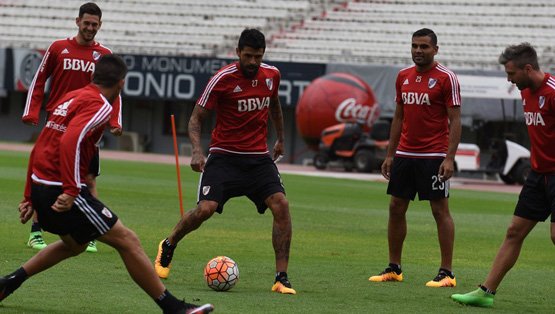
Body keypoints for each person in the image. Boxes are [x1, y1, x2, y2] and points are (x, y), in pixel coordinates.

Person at [0, 54, 214, 314]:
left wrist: (29, 195)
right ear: (121, 84)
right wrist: (70, 190)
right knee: (128, 240)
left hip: (41, 187)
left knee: (75, 245)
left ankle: (8, 283)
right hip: (62, 190)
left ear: (93, 76)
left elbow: (41, 143)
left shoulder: (70, 98)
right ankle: (174, 308)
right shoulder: (102, 105)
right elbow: (69, 141)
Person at [154, 28, 295, 295]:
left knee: (282, 205)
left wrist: (280, 139)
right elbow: (196, 119)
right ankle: (169, 244)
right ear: (237, 52)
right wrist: (197, 151)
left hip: (257, 159)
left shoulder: (272, 75)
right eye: (248, 56)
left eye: (258, 56)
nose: (253, 62)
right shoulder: (222, 79)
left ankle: (281, 278)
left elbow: (274, 104)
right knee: (205, 209)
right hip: (224, 158)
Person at [451, 43, 555, 307]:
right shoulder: (527, 91)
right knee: (514, 232)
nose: (508, 80)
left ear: (528, 68)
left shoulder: (552, 92)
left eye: (511, 74)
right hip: (538, 174)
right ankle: (486, 293)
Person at [22, 2, 123, 253]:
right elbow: (39, 78)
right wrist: (31, 111)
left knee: (89, 177)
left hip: (89, 125)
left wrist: (115, 121)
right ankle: (36, 233)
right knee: (47, 176)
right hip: (59, 120)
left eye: (94, 24)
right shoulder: (58, 48)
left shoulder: (104, 54)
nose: (90, 28)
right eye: (86, 23)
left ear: (100, 25)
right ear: (77, 22)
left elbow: (114, 92)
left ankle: (90, 232)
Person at [368, 28, 462, 287]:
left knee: (439, 210)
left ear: (435, 50)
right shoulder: (403, 77)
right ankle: (394, 268)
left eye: (424, 46)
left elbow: (455, 122)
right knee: (396, 207)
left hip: (434, 154)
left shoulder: (447, 78)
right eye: (414, 46)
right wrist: (390, 154)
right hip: (405, 153)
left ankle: (447, 273)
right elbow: (399, 117)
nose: (418, 51)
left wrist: (449, 158)